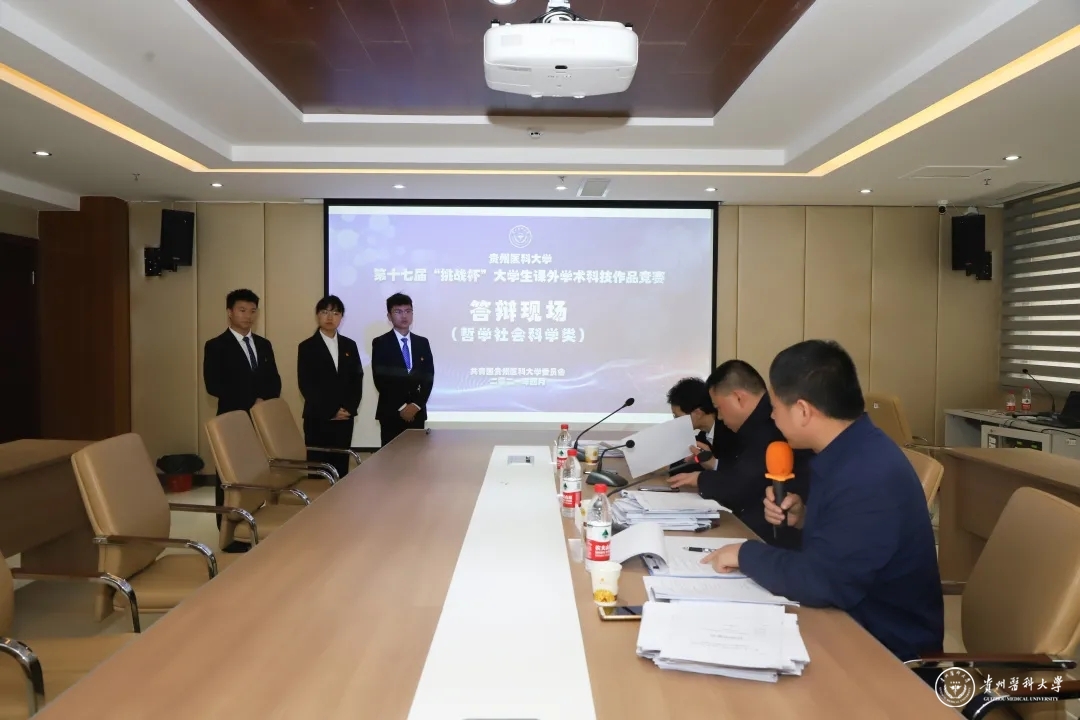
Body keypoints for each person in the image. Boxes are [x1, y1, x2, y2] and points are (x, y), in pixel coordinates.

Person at [701, 340, 944, 662]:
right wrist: (803, 517)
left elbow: (821, 581)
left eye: (775, 407)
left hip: (883, 649)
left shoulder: (867, 474)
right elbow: (848, 540)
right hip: (847, 620)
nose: (771, 416)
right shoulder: (850, 450)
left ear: (803, 411)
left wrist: (744, 553)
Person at [668, 360, 809, 546]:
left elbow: (742, 484)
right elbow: (743, 471)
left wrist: (701, 479)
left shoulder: (767, 426)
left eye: (719, 408)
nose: (719, 416)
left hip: (781, 539)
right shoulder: (755, 424)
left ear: (738, 398)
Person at [203, 289, 281, 539]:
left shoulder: (264, 345)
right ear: (229, 312)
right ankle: (227, 532)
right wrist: (251, 401)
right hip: (231, 421)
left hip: (260, 422)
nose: (248, 316)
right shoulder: (216, 346)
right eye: (242, 310)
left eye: (252, 311)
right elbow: (214, 385)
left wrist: (263, 402)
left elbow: (275, 381)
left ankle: (252, 525)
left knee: (256, 475)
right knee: (230, 477)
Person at [297, 295, 363, 479]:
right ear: (317, 315)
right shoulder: (307, 347)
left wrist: (348, 408)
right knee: (319, 472)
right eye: (325, 312)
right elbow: (306, 385)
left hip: (344, 420)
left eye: (335, 313)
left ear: (341, 317)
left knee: (341, 471)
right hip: (318, 419)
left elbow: (357, 379)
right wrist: (332, 410)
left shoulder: (350, 345)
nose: (329, 317)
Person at [371, 293, 434, 447]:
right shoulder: (380, 343)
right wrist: (402, 407)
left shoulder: (422, 342)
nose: (404, 316)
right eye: (398, 312)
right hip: (391, 413)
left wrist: (416, 405)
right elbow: (380, 380)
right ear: (389, 316)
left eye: (408, 311)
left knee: (416, 456)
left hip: (417, 413)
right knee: (391, 458)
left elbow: (428, 377)